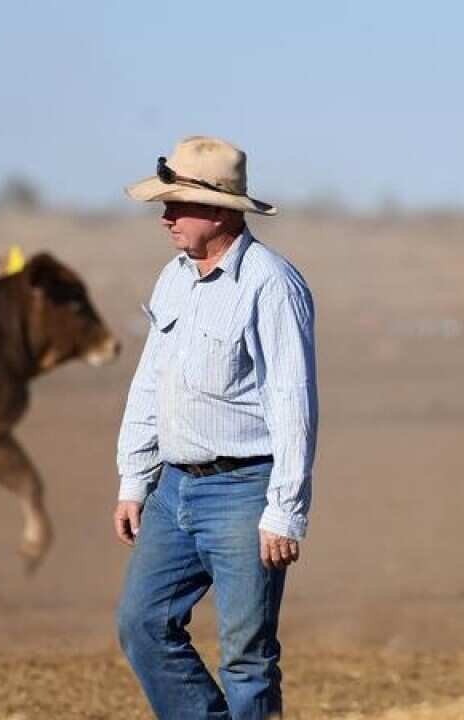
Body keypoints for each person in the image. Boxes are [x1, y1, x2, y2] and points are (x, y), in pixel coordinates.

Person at [114, 136, 318, 719]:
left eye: (177, 203)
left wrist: (284, 510)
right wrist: (135, 478)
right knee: (141, 623)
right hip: (172, 488)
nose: (166, 216)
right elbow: (150, 383)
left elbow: (293, 402)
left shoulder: (272, 284)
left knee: (246, 656)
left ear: (222, 209)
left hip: (244, 491)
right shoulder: (172, 278)